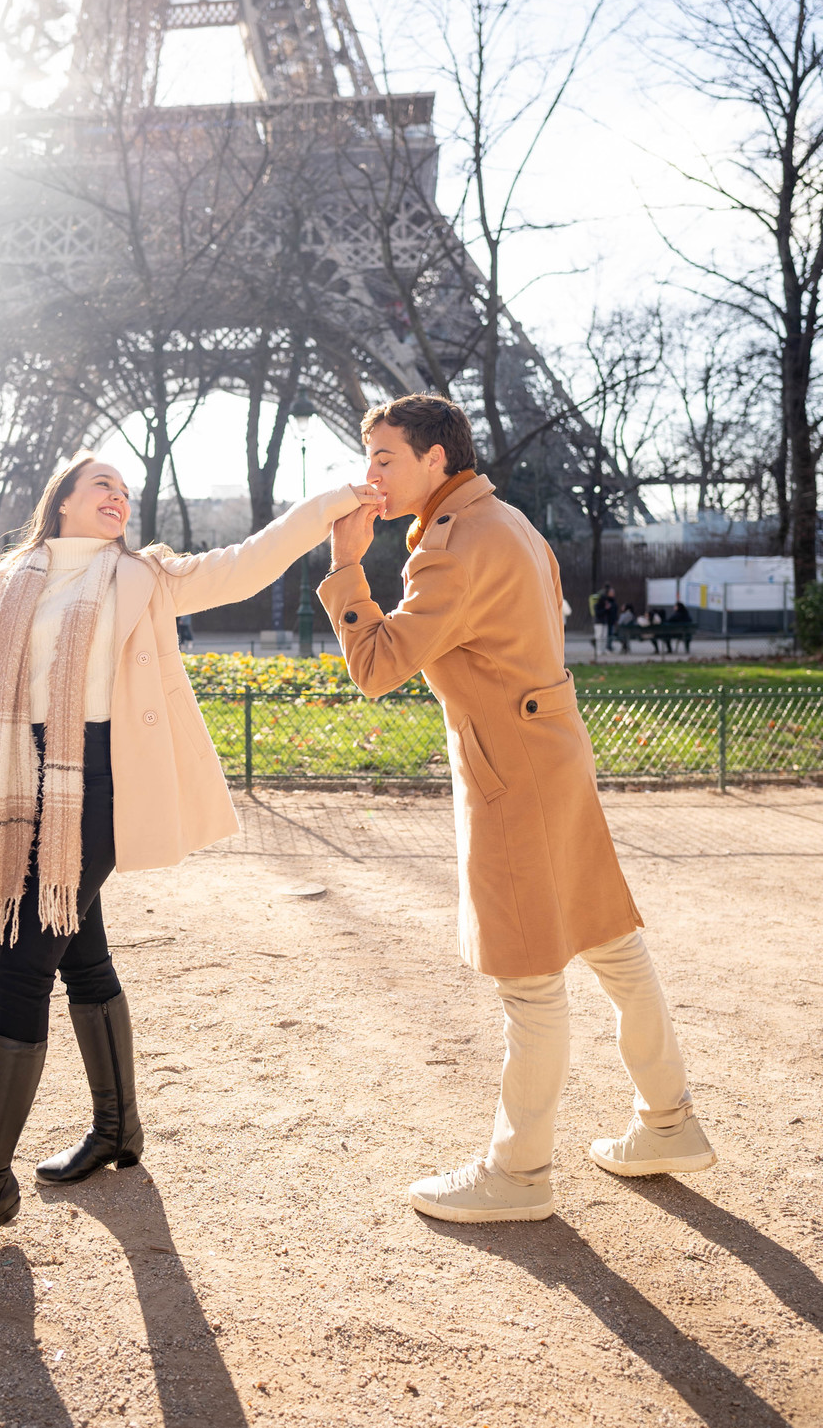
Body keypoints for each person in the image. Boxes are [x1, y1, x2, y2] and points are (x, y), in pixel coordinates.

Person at [0, 452, 376, 1267]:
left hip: (101, 782)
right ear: (63, 501)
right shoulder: (5, 584)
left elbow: (248, 560)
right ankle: (118, 1126)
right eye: (103, 486)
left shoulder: (143, 577)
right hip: (25, 779)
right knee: (79, 951)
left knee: (21, 965)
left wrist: (335, 500)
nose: (120, 497)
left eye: (127, 490)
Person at [318, 393, 716, 1225]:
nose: (371, 476)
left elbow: (377, 666)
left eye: (385, 458)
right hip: (553, 753)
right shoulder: (512, 524)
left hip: (509, 772)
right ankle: (668, 1121)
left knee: (531, 984)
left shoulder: (453, 548)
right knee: (614, 947)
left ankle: (519, 1171)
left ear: (436, 459)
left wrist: (347, 566)